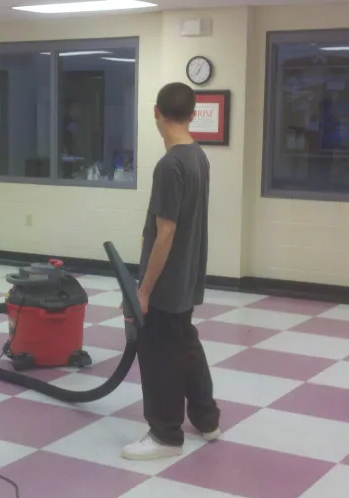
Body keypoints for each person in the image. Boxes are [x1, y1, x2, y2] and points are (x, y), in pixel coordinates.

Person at [122, 82, 221, 461]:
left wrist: (143, 290)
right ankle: (206, 419)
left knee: (160, 352)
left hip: (167, 280)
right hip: (188, 276)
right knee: (186, 344)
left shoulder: (170, 165)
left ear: (155, 112)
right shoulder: (198, 157)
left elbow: (166, 233)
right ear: (193, 115)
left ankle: (165, 434)